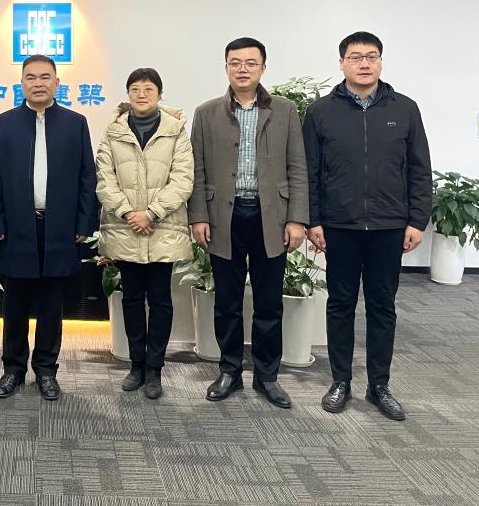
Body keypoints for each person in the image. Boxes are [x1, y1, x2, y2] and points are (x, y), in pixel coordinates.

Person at [303, 31, 431, 421]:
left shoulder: (404, 109)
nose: (364, 63)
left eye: (371, 56)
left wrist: (417, 220)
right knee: (340, 305)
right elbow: (309, 172)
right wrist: (313, 220)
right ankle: (340, 381)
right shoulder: (321, 112)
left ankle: (379, 386)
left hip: (389, 226)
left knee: (382, 307)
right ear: (341, 63)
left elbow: (420, 169)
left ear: (381, 62)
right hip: (338, 226)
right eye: (356, 57)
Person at [188, 37, 308, 408]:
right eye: (235, 62)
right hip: (223, 217)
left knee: (269, 301)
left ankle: (267, 376)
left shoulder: (285, 110)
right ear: (226, 67)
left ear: (263, 68)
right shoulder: (207, 112)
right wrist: (198, 216)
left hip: (271, 217)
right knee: (227, 300)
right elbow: (197, 169)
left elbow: (297, 166)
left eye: (250, 63)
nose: (243, 69)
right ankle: (229, 371)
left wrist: (297, 219)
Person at [0, 54, 98, 401]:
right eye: (31, 77)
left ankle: (46, 370)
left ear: (57, 83)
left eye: (45, 77)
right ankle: (13, 370)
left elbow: (87, 176)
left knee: (51, 304)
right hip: (16, 227)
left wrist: (84, 222)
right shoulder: (2, 124)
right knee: (14, 305)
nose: (38, 83)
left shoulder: (75, 123)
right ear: (21, 83)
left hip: (59, 227)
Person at [95, 68, 194, 400]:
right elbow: (104, 178)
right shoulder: (113, 131)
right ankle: (136, 366)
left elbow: (183, 178)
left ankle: (155, 369)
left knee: (161, 300)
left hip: (161, 227)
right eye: (135, 89)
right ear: (127, 94)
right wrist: (128, 213)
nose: (141, 94)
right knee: (132, 299)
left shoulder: (176, 131)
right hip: (126, 228)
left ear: (159, 94)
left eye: (148, 89)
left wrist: (151, 213)